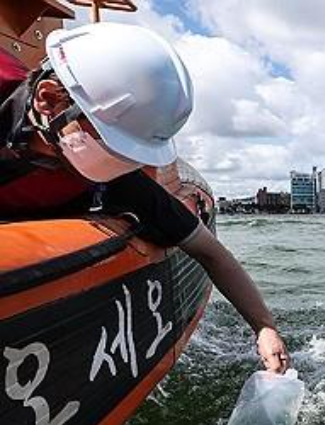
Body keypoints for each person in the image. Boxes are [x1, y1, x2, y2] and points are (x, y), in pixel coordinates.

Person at [0, 22, 291, 373]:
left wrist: (264, 327)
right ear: (48, 100)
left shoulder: (115, 180)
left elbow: (211, 253)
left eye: (130, 151)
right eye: (112, 144)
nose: (120, 161)